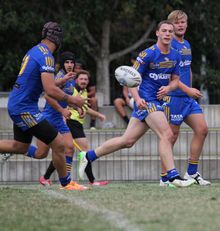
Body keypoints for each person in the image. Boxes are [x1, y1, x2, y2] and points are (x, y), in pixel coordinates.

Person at [77, 20, 195, 187]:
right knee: (167, 135)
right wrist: (138, 99)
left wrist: (169, 87)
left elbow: (176, 80)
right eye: (164, 31)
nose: (168, 34)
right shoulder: (147, 54)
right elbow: (129, 80)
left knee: (127, 141)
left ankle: (88, 156)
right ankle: (172, 177)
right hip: (147, 101)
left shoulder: (175, 55)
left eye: (170, 31)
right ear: (157, 33)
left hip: (156, 101)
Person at [0, 22, 87, 190]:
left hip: (19, 105)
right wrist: (72, 100)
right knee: (59, 144)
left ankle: (64, 182)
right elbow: (49, 90)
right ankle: (66, 183)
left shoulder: (35, 50)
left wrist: (60, 81)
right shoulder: (47, 56)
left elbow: (41, 82)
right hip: (24, 108)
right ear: (58, 38)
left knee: (21, 146)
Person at [160, 10, 210, 186]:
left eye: (183, 22)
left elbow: (187, 68)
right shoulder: (169, 45)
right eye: (177, 22)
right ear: (170, 25)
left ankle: (191, 173)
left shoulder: (186, 44)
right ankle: (165, 177)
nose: (180, 25)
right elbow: (170, 76)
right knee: (170, 137)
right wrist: (188, 89)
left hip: (188, 99)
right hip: (173, 97)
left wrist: (191, 87)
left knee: (202, 129)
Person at [66, 70, 108, 185]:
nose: (83, 81)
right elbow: (64, 101)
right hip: (71, 122)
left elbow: (85, 108)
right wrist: (76, 108)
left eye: (85, 79)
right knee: (84, 152)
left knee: (67, 151)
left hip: (77, 124)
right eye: (81, 79)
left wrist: (98, 115)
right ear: (76, 80)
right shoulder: (71, 89)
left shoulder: (83, 91)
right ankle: (92, 180)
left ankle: (46, 177)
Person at [113, 53, 137, 125]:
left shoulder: (146, 70)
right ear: (132, 60)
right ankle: (127, 121)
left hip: (142, 97)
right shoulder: (127, 72)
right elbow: (125, 89)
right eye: (136, 60)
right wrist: (126, 97)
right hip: (130, 97)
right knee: (117, 101)